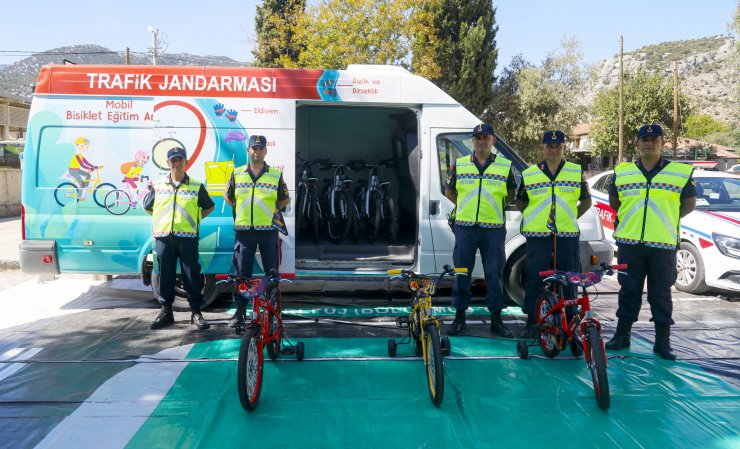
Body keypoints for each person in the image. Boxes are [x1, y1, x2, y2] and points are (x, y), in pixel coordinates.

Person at [605, 124, 696, 360]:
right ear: (637, 143)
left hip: (662, 245)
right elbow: (615, 202)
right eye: (644, 139)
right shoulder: (623, 172)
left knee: (660, 293)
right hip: (630, 243)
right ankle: (622, 335)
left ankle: (662, 342)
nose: (649, 143)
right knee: (628, 290)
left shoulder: (678, 172)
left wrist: (665, 220)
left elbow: (688, 204)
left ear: (662, 143)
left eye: (654, 139)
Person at [516, 130, 592, 339]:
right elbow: (522, 202)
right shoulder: (530, 174)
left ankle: (570, 323)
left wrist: (568, 217)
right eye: (549, 145)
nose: (554, 149)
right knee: (534, 278)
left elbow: (586, 201)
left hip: (567, 235)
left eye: (558, 146)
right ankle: (532, 321)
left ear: (563, 148)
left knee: (569, 279)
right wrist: (534, 217)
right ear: (542, 148)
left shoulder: (575, 172)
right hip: (538, 235)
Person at [445, 123, 517, 337]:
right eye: (477, 138)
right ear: (472, 141)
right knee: (461, 274)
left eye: (486, 137)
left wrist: (491, 208)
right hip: (465, 227)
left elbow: (511, 193)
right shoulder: (459, 165)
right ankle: (459, 318)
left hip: (493, 228)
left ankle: (496, 320)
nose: (481, 141)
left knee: (494, 275)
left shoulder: (505, 166)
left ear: (493, 140)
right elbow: (450, 192)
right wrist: (467, 209)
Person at [144, 147, 215, 330]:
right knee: (165, 275)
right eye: (173, 160)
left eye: (179, 160)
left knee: (191, 276)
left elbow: (208, 207)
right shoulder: (158, 186)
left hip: (188, 238)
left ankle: (196, 313)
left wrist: (195, 220)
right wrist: (161, 220)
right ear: (168, 163)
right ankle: (166, 312)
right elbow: (148, 207)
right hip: (164, 237)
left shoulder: (196, 186)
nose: (176, 163)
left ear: (186, 162)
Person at [225, 135, 290, 326]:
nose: (257, 151)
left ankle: (272, 309)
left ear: (265, 151)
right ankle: (240, 312)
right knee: (242, 273)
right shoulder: (236, 174)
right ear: (248, 150)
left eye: (261, 148)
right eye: (254, 148)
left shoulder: (275, 175)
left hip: (268, 230)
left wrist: (270, 212)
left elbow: (284, 199)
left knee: (271, 272)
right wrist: (241, 211)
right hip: (244, 231)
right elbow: (228, 196)